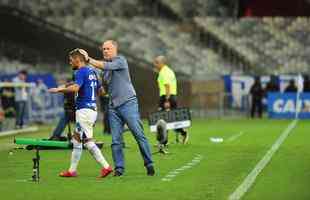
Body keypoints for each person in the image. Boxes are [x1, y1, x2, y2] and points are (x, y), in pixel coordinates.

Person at [84, 40, 154, 176]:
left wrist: (88, 60)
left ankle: (149, 164)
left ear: (115, 49)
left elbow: (103, 65)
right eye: (103, 49)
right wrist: (97, 88)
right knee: (116, 141)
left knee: (138, 134)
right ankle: (119, 169)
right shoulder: (104, 72)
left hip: (128, 103)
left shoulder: (121, 60)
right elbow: (103, 90)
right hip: (113, 106)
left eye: (108, 48)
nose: (105, 51)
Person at [48, 48, 113, 178]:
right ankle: (72, 171)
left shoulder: (81, 71)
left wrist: (58, 90)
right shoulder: (92, 72)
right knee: (77, 140)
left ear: (78, 59)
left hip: (84, 111)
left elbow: (76, 87)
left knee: (88, 142)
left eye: (71, 60)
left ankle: (106, 167)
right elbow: (101, 92)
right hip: (91, 109)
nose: (70, 63)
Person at [153, 55, 189, 144]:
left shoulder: (164, 72)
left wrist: (167, 100)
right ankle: (182, 132)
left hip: (167, 97)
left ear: (162, 63)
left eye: (156, 63)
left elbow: (167, 86)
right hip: (170, 96)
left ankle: (163, 141)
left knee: (163, 120)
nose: (155, 65)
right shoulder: (168, 71)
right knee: (170, 120)